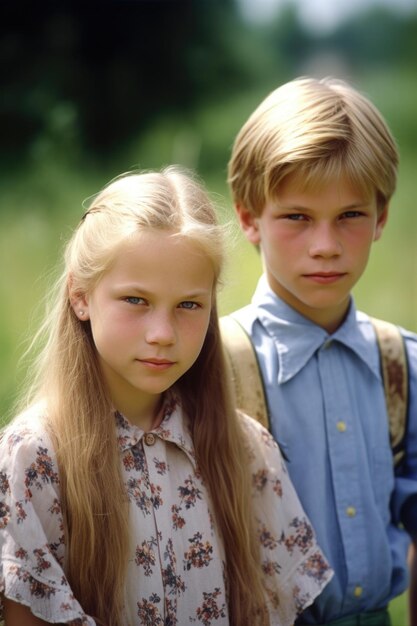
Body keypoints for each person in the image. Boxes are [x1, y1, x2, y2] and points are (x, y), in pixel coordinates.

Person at [0, 166, 332, 626]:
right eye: (136, 300)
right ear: (80, 294)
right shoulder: (34, 458)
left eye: (188, 305)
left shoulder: (245, 450)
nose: (162, 334)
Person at [226, 76, 417, 626]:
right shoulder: (208, 363)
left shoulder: (401, 365)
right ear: (248, 218)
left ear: (381, 217)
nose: (326, 246)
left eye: (350, 216)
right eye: (297, 217)